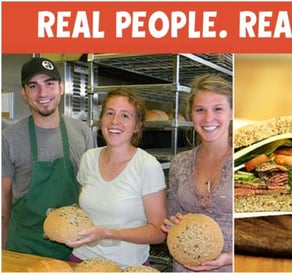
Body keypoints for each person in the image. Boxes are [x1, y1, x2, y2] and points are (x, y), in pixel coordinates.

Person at [2, 57, 96, 260]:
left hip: (73, 247)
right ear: (24, 93)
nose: (43, 93)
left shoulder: (81, 132)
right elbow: (2, 198)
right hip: (23, 247)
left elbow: (89, 188)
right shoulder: (8, 138)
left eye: (50, 83)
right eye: (33, 86)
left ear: (61, 87)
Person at [65, 88, 167, 268]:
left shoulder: (146, 165)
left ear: (137, 126)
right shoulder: (89, 158)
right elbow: (83, 212)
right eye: (109, 113)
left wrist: (110, 233)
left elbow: (158, 232)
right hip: (83, 260)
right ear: (101, 119)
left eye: (125, 116)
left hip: (127, 266)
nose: (115, 121)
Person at [161, 74, 233, 272]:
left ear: (232, 113)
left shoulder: (248, 162)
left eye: (218, 109)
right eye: (200, 110)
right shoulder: (180, 162)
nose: (208, 118)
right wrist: (172, 223)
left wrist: (228, 258)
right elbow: (173, 217)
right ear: (191, 114)